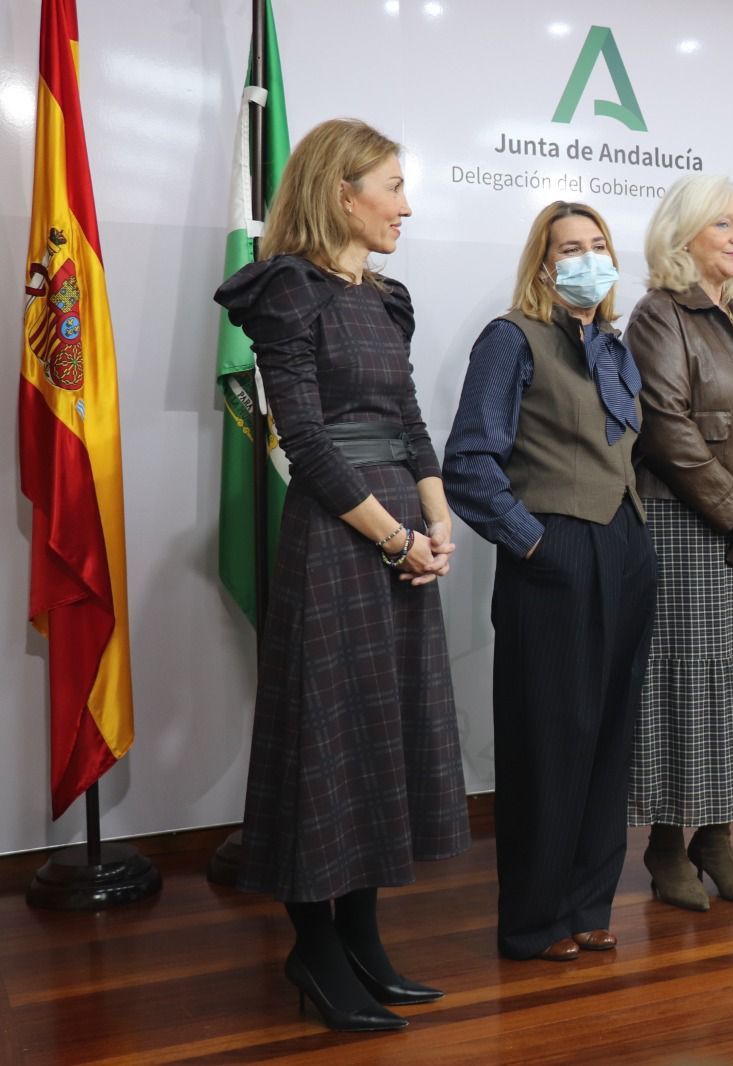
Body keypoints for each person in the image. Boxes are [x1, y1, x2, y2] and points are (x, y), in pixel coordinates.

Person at [213, 119, 468, 1033]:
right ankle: (313, 947)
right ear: (341, 193)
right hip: (339, 533)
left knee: (379, 733)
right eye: (392, 186)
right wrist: (395, 539)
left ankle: (362, 936)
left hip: (400, 523)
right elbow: (307, 443)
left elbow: (410, 419)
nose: (406, 205)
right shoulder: (287, 291)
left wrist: (437, 523)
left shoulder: (386, 298)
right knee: (327, 733)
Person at [442, 201, 657, 960]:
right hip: (558, 552)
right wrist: (534, 544)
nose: (588, 258)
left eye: (599, 245)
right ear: (543, 264)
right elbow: (468, 462)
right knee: (548, 741)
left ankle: (588, 905)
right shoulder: (510, 339)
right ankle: (534, 921)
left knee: (607, 740)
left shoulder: (613, 345)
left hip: (626, 550)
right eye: (571, 247)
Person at [624, 175, 733, 911]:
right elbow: (666, 428)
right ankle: (666, 844)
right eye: (723, 222)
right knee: (683, 682)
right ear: (683, 232)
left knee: (732, 678)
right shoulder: (657, 314)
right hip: (683, 526)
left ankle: (715, 838)